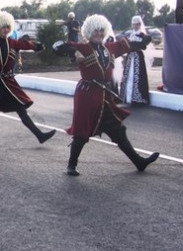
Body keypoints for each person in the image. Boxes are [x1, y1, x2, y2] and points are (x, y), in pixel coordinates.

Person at [53, 14, 160, 176]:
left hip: (104, 97)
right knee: (82, 132)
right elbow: (57, 45)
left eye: (101, 30)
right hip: (86, 96)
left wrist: (144, 39)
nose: (98, 33)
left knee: (118, 130)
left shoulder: (109, 48)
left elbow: (130, 44)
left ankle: (139, 162)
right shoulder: (82, 47)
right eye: (95, 30)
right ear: (89, 31)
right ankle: (71, 165)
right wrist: (73, 51)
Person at [0, 11, 56, 147]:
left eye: (8, 27)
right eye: (3, 27)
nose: (5, 30)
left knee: (21, 110)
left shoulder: (13, 43)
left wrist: (38, 46)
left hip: (8, 82)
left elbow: (27, 45)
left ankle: (40, 135)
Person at [119, 15, 152, 105]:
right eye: (133, 24)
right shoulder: (130, 35)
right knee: (128, 75)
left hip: (138, 56)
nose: (135, 26)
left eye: (137, 24)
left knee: (138, 75)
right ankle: (127, 96)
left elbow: (144, 45)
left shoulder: (142, 35)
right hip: (130, 56)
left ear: (140, 24)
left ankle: (137, 98)